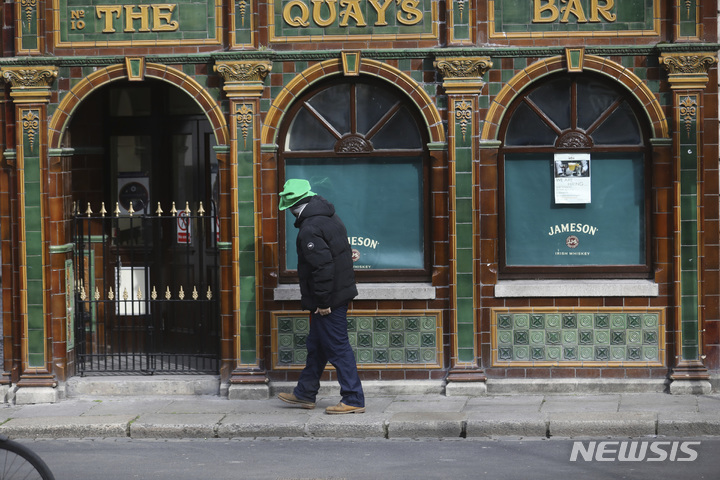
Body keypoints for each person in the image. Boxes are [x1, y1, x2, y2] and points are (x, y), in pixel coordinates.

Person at [276, 179, 365, 414]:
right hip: (338, 293)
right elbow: (339, 250)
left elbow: (323, 267)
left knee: (338, 347)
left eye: (289, 208)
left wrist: (323, 302)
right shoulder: (329, 217)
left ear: (295, 205)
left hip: (329, 300)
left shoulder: (309, 228)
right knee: (316, 345)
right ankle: (304, 393)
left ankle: (353, 398)